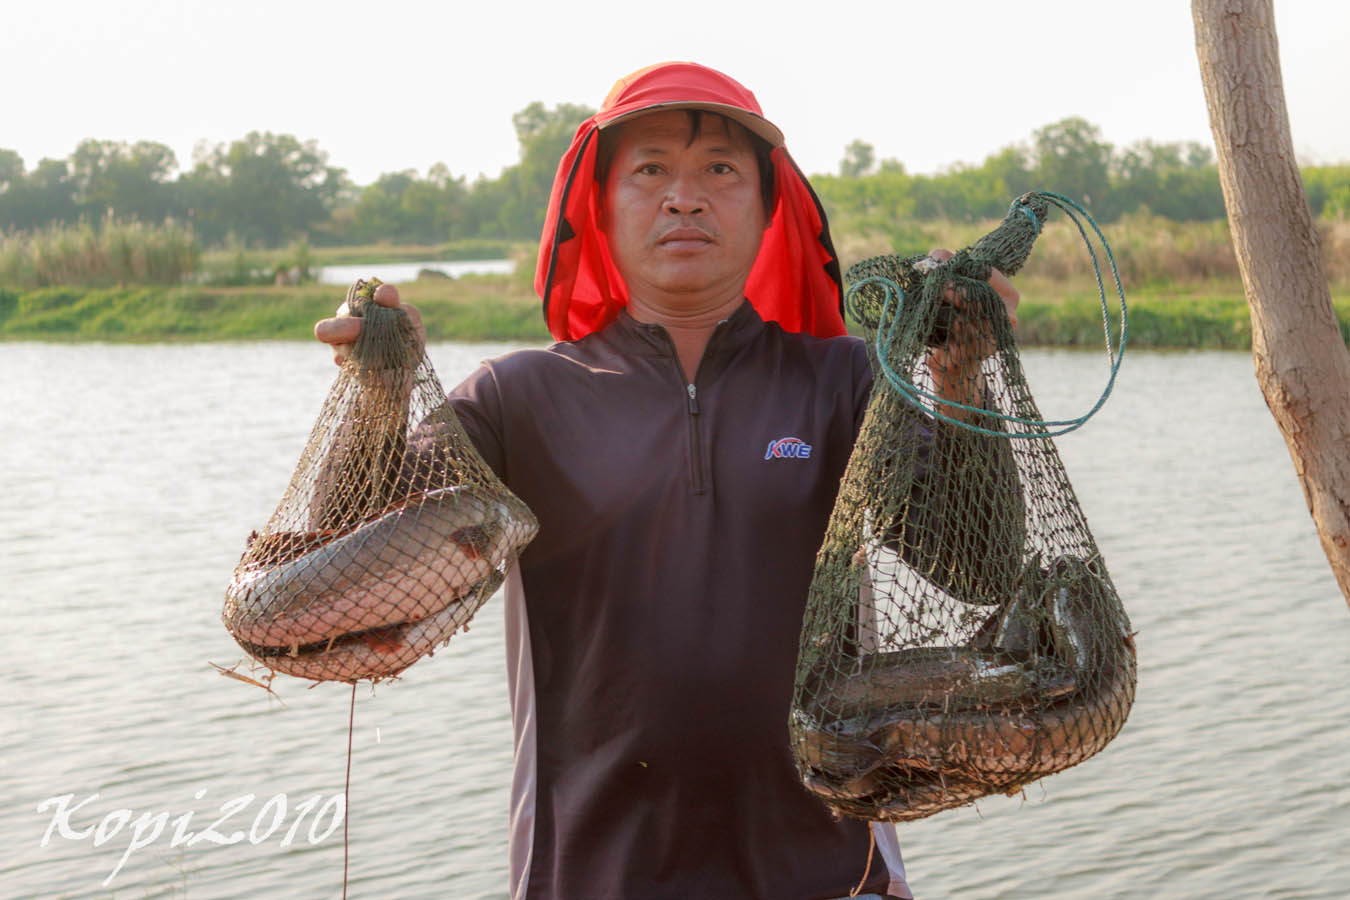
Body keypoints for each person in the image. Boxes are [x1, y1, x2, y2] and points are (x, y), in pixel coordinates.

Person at [316, 61, 1019, 900]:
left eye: (720, 171)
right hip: (588, 880)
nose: (684, 198)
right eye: (649, 170)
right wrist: (378, 391)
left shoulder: (848, 385)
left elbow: (977, 570)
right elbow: (351, 582)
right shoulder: (521, 399)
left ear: (767, 212)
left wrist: (963, 377)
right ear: (600, 210)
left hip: (836, 877)